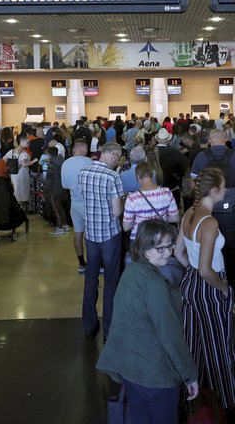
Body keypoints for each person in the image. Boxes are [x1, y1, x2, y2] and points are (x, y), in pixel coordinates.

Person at [96, 220, 199, 424]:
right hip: (156, 377)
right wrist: (189, 375)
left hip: (131, 371)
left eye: (170, 245)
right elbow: (171, 336)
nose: (167, 252)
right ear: (143, 249)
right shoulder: (155, 285)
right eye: (159, 248)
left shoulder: (132, 272)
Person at [174, 168, 235, 412]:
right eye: (223, 186)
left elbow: (178, 253)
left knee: (193, 341)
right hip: (210, 286)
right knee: (219, 344)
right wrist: (224, 288)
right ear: (214, 190)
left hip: (190, 284)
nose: (225, 189)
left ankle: (192, 393)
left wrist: (192, 271)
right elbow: (207, 270)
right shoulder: (210, 222)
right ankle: (230, 396)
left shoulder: (189, 214)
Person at [189, 129, 235, 288]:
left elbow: (191, 184)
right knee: (230, 250)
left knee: (207, 249)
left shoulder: (201, 157)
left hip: (206, 211)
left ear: (210, 139)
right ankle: (231, 287)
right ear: (226, 139)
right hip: (232, 212)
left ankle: (210, 283)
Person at [79, 142, 125, 340]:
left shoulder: (84, 172)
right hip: (109, 234)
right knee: (111, 282)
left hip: (91, 234)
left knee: (91, 279)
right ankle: (109, 329)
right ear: (113, 155)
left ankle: (89, 324)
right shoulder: (113, 177)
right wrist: (124, 200)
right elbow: (117, 211)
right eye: (119, 157)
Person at [123, 162, 179, 244]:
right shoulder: (167, 192)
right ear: (152, 174)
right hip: (161, 236)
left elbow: (126, 227)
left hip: (139, 238)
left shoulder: (132, 198)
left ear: (137, 176)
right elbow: (175, 218)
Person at [61, 140, 93, 273]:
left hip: (74, 201)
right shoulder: (88, 162)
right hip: (89, 203)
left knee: (78, 233)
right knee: (91, 235)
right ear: (84, 148)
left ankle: (81, 264)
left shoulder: (65, 163)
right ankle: (94, 263)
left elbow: (64, 185)